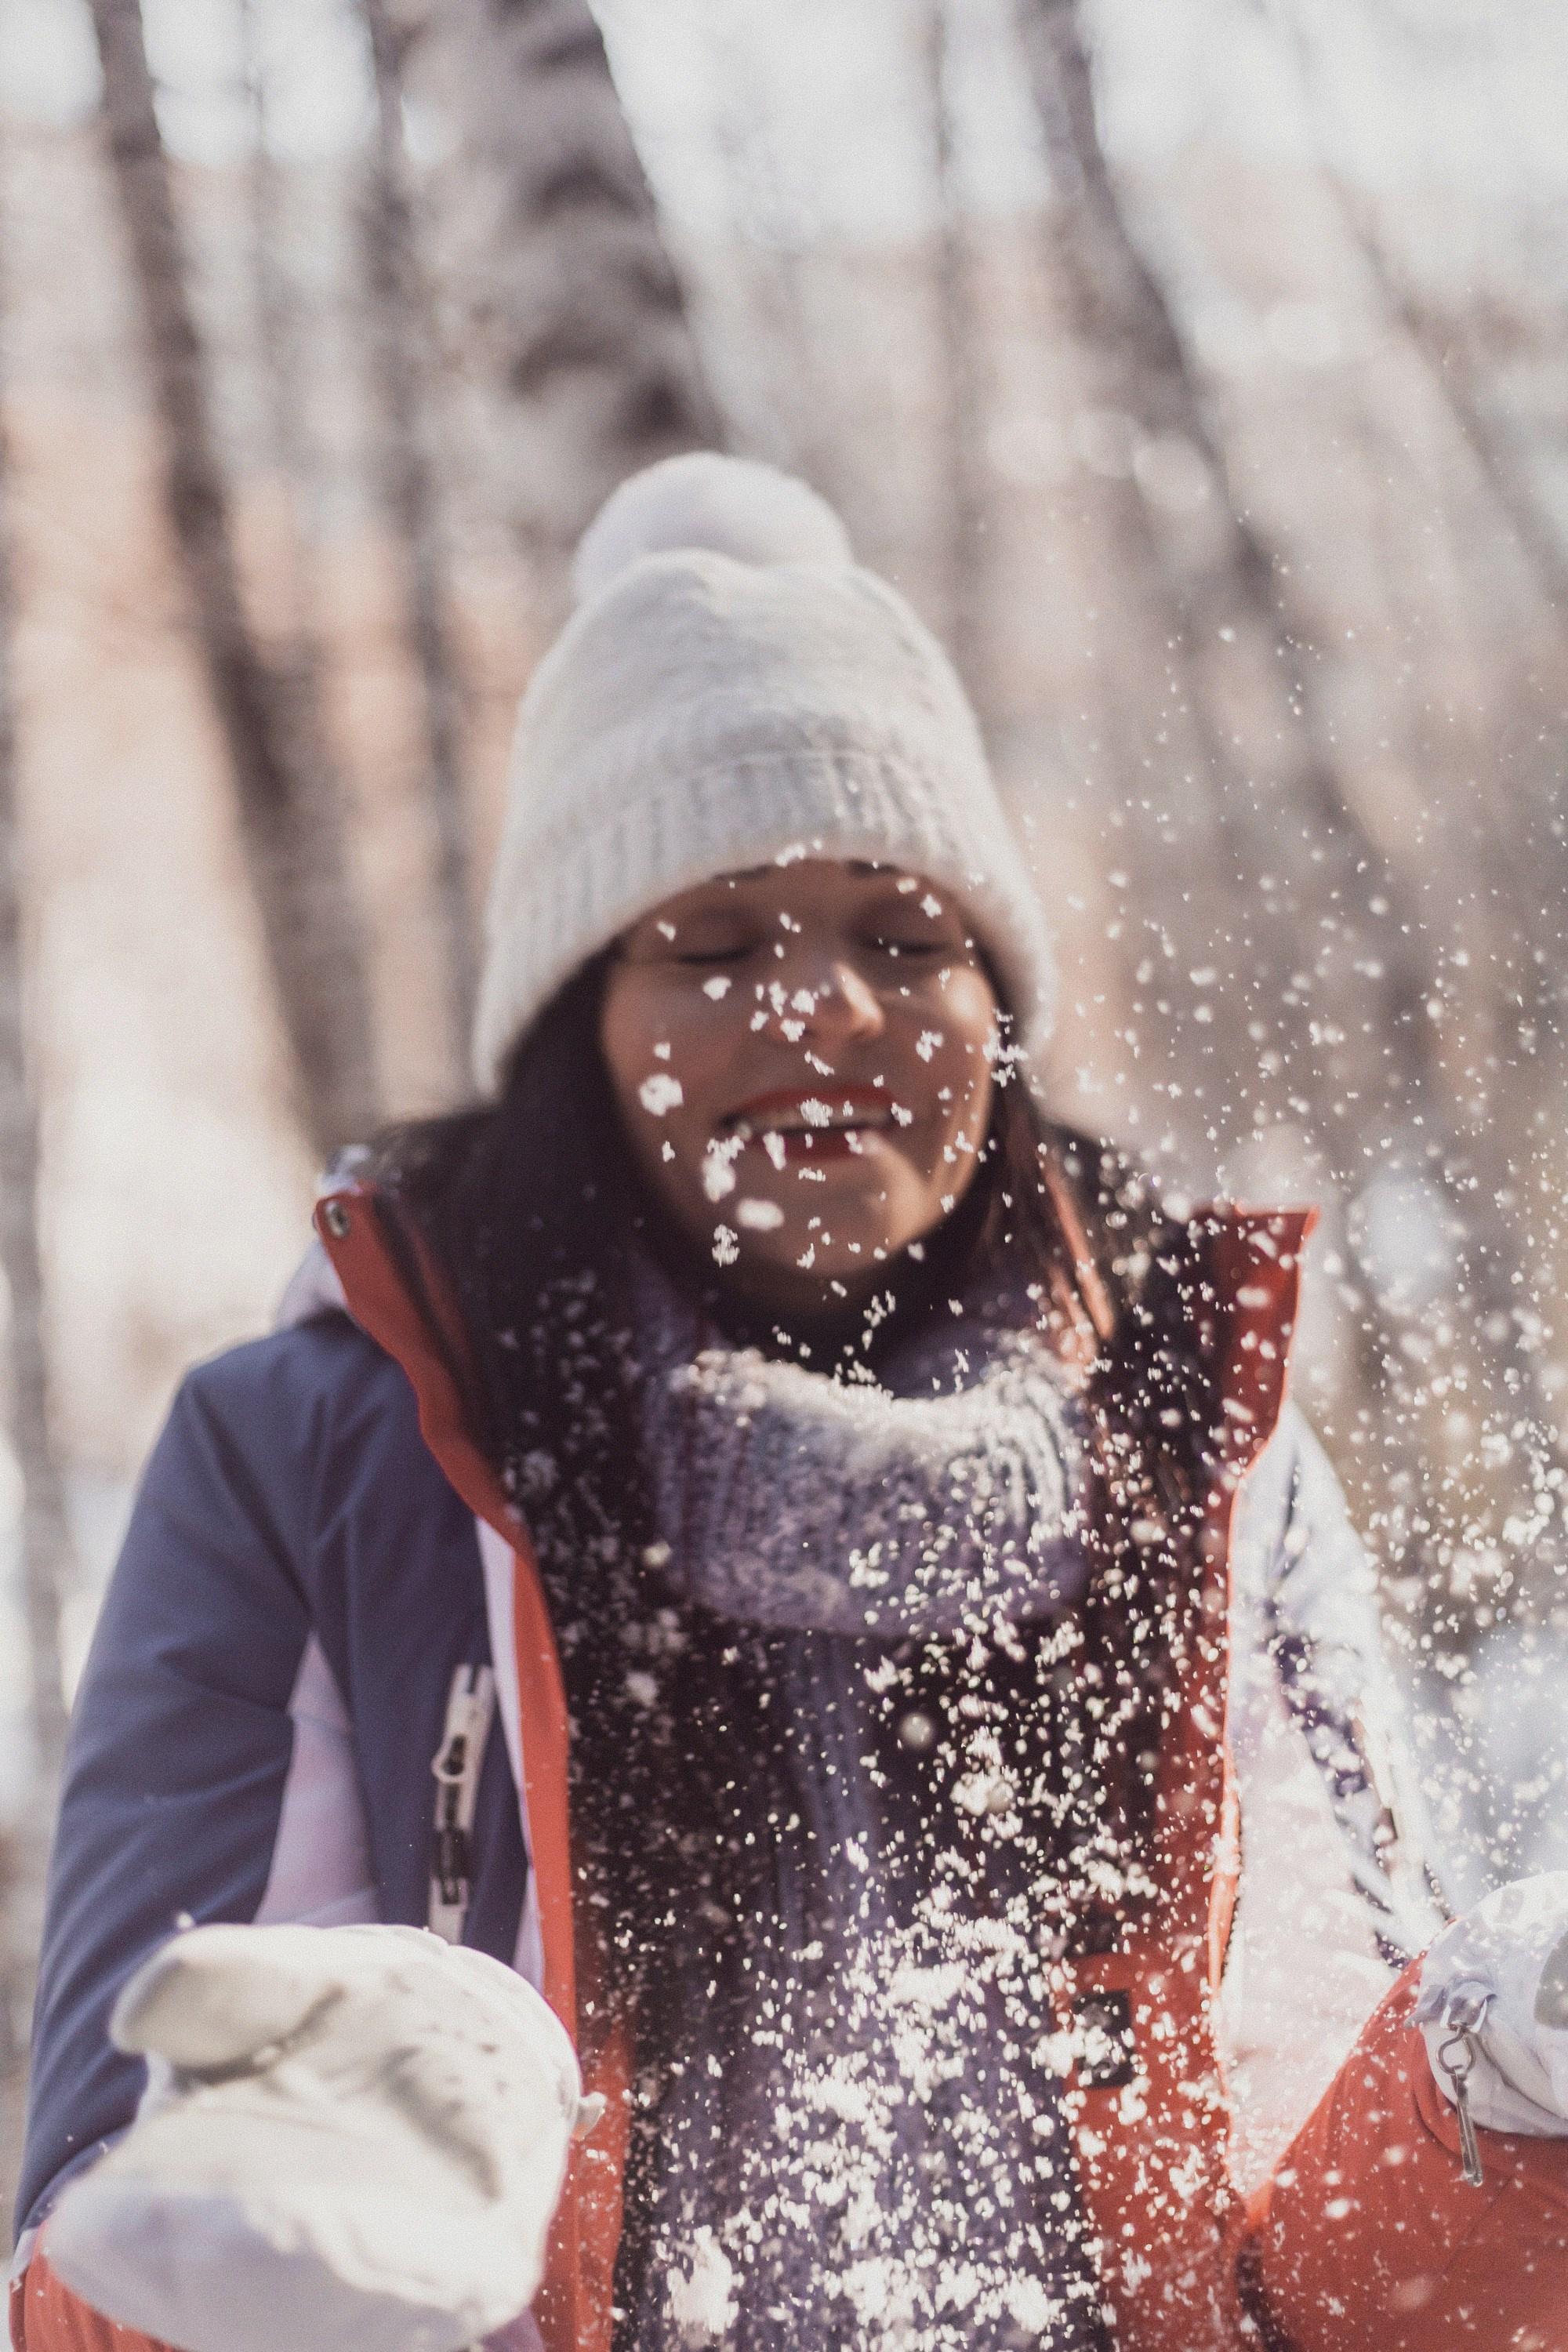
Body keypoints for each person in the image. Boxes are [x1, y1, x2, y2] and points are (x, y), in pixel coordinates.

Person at [12, 456, 1568, 2352]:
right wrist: (298, 2253)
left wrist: (1507, 2094)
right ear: (581, 1026)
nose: (824, 1005)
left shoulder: (1199, 1444)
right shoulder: (315, 1462)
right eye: (715, 943)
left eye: (904, 938)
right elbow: (87, 2260)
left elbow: (1330, 2287)